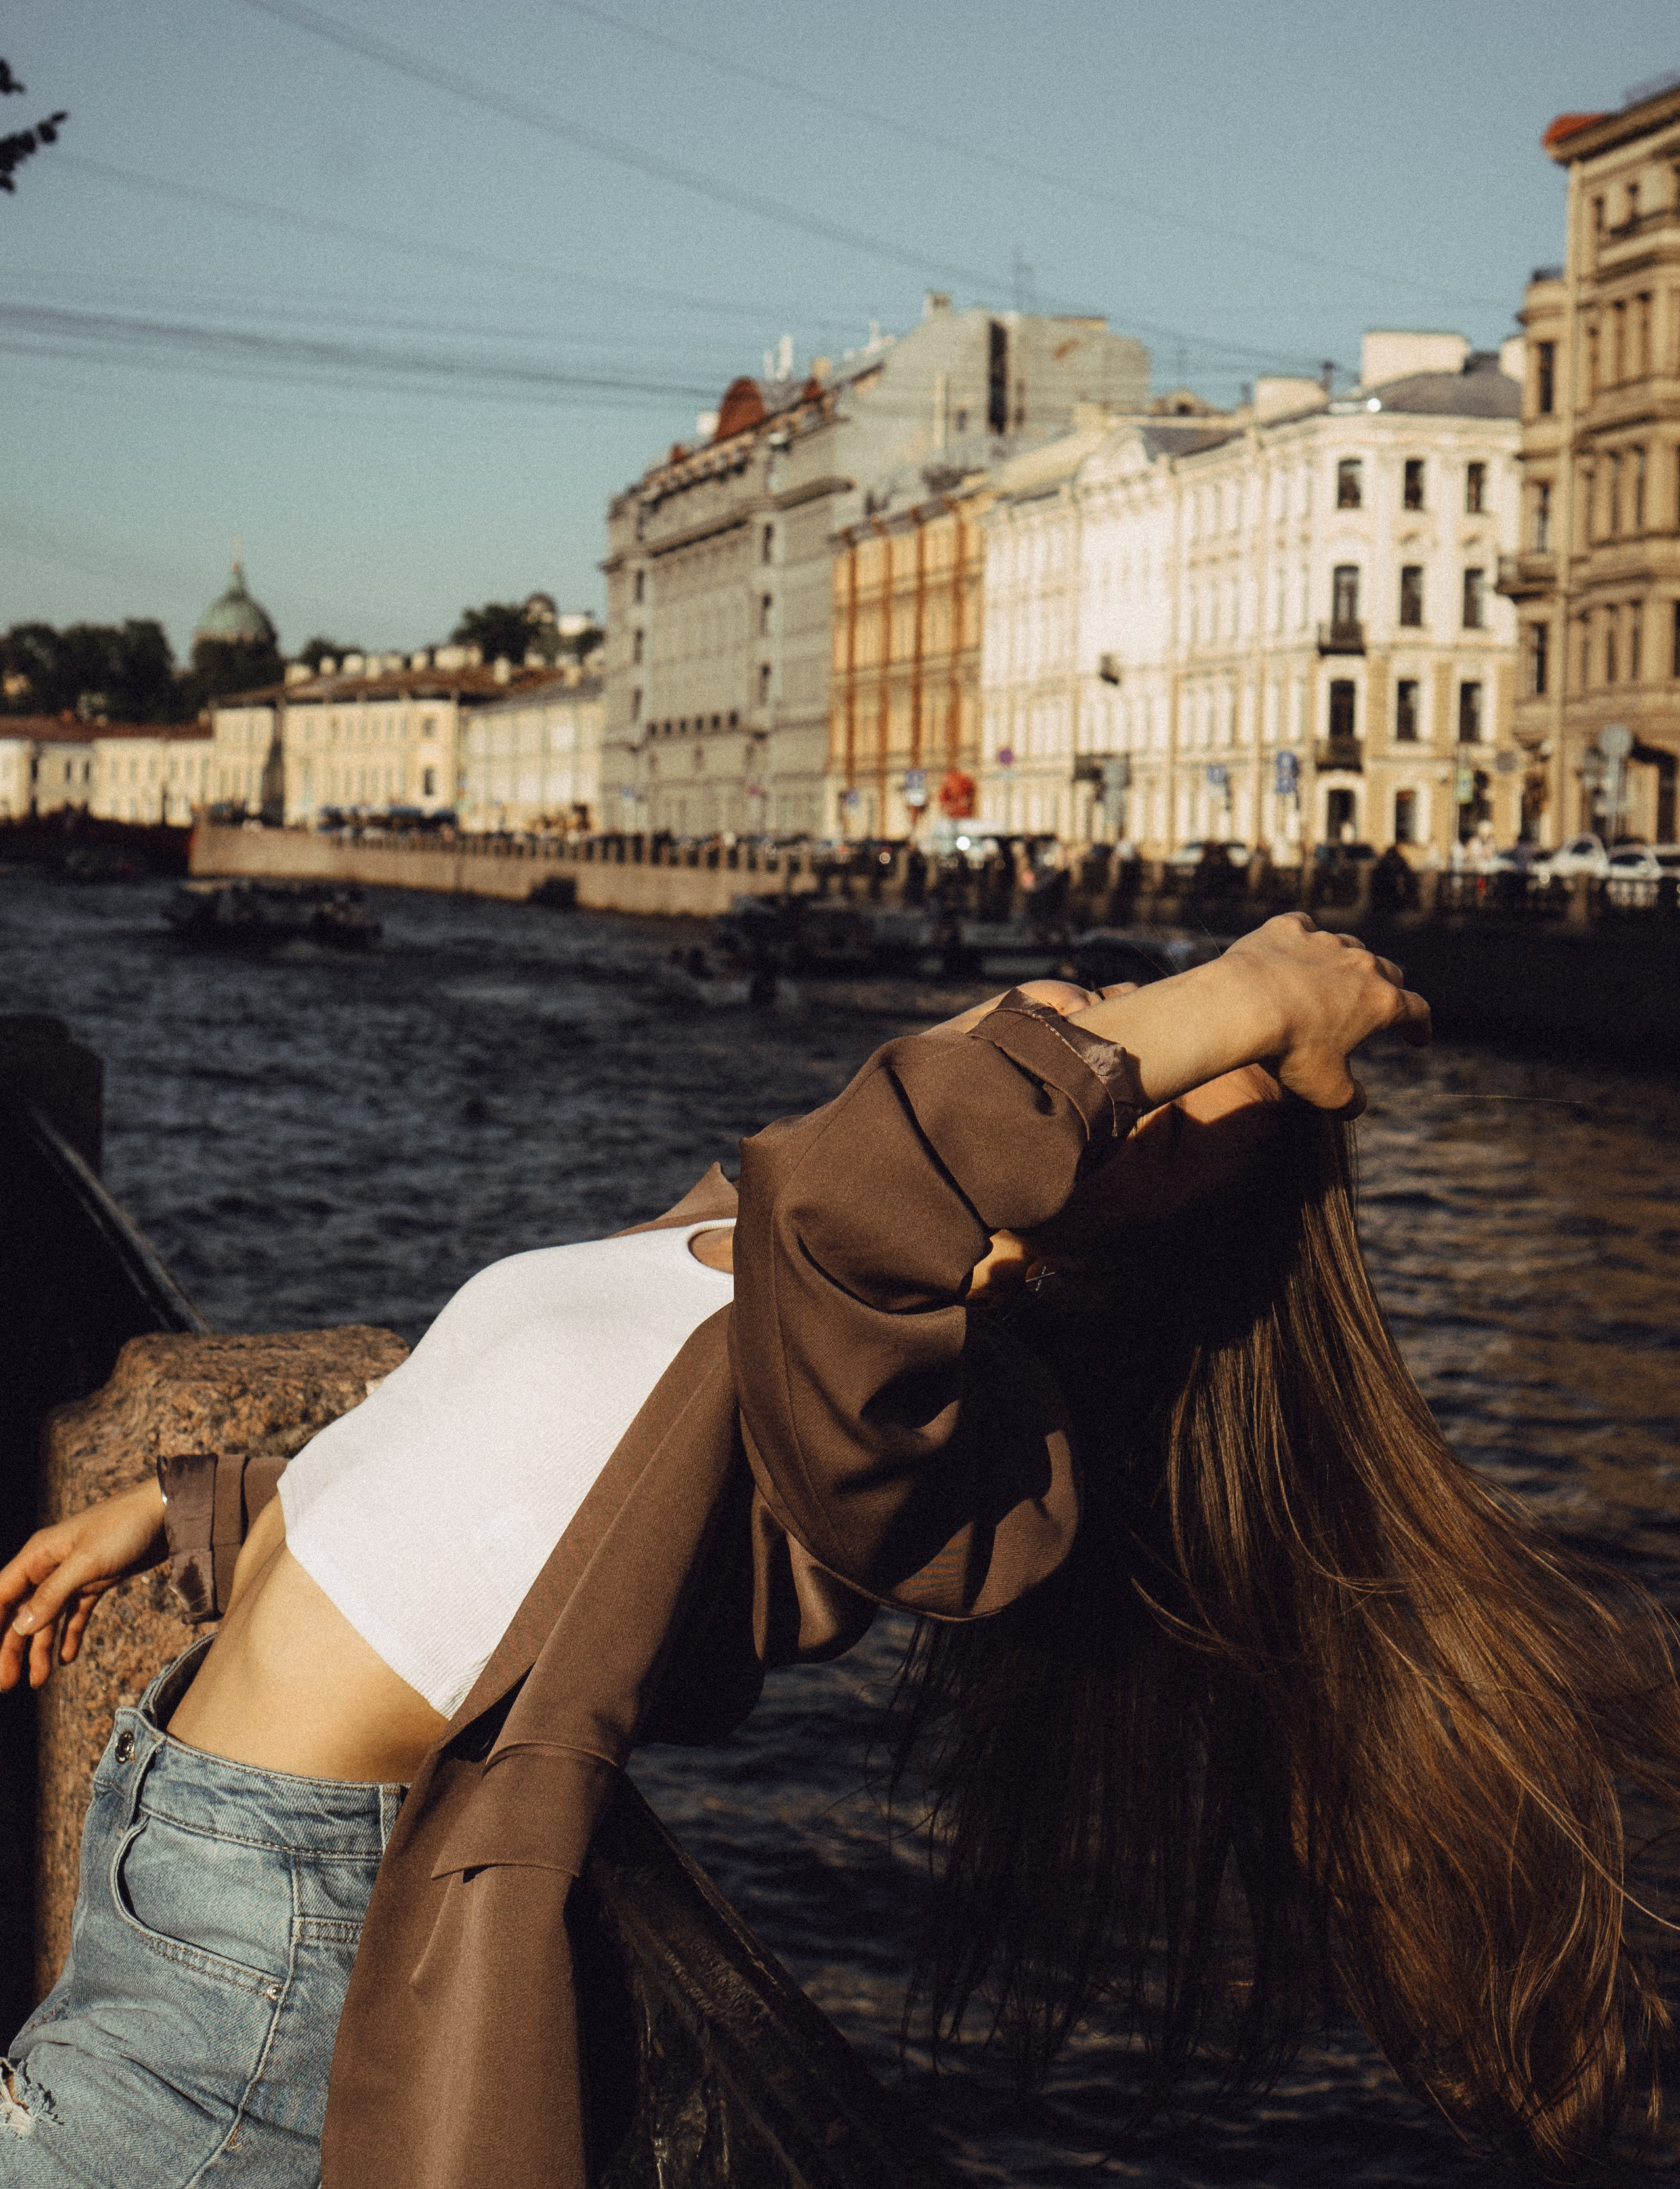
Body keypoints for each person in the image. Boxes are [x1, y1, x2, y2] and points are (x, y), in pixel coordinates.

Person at [0, 917, 1671, 2180]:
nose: (1096, 1032)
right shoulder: (747, 1236)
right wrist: (213, 1504)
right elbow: (487, 1455)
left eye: (1147, 1091)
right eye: (1113, 1008)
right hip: (184, 1828)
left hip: (280, 1935)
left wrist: (1256, 1001)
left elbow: (878, 1185)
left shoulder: (933, 1436)